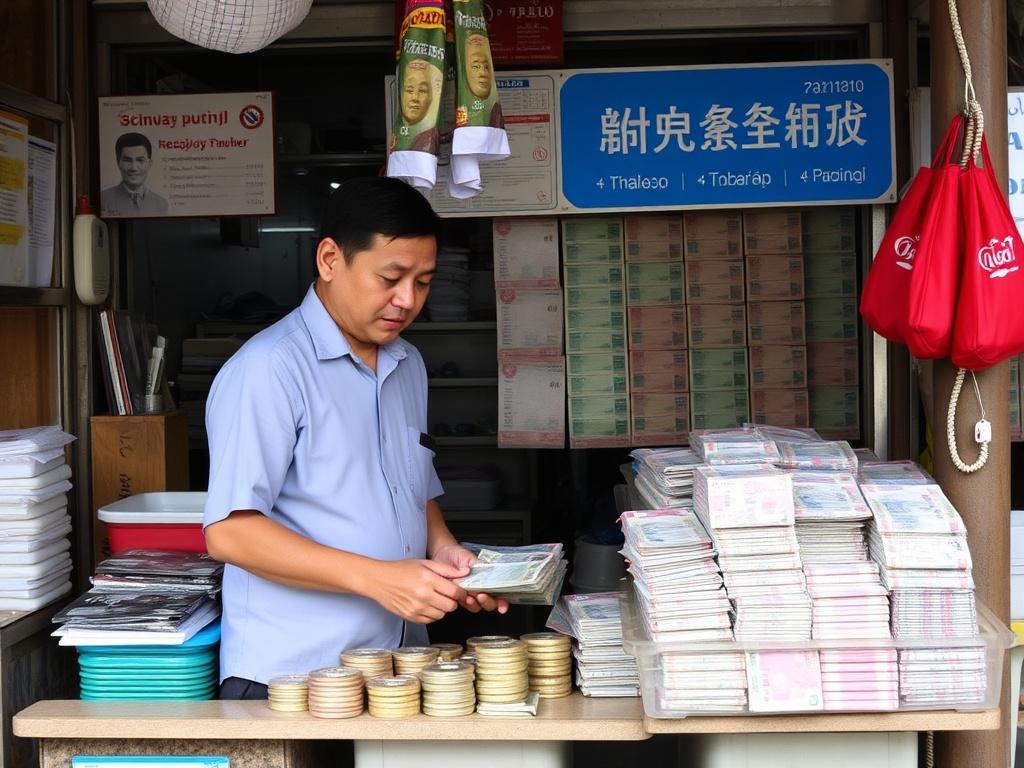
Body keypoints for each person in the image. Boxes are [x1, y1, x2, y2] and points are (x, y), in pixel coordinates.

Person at [203, 176, 507, 700]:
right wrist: (378, 578)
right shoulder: (268, 369)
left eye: (424, 281)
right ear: (328, 259)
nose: (407, 300)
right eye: (390, 277)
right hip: (291, 679)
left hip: (398, 670)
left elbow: (412, 485)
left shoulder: (407, 362)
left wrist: (444, 548)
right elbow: (230, 533)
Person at [100, 132, 169, 217]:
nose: (134, 168)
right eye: (127, 160)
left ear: (149, 163)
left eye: (140, 160)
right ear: (118, 162)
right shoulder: (103, 199)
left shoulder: (161, 204)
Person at [397, 58, 441, 154]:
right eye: (409, 90)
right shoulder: (399, 134)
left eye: (422, 90)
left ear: (431, 98)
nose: (415, 98)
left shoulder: (429, 136)